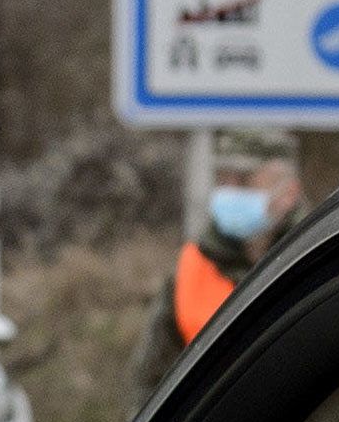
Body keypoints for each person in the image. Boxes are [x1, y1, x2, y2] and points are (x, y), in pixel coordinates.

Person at [129, 151, 304, 399]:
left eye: (244, 180)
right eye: (223, 179)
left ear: (289, 193)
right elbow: (152, 385)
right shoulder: (193, 265)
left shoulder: (322, 258)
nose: (230, 192)